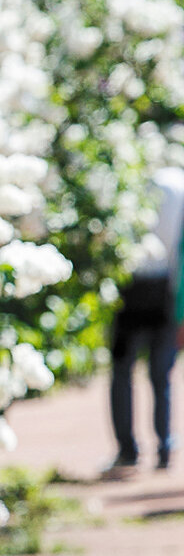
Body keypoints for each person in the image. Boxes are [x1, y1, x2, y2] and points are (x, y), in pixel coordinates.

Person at [110, 166, 184, 471]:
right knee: (160, 376)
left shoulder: (128, 181)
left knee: (122, 373)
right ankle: (164, 447)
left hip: (129, 290)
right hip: (165, 291)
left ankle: (128, 450)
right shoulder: (178, 186)